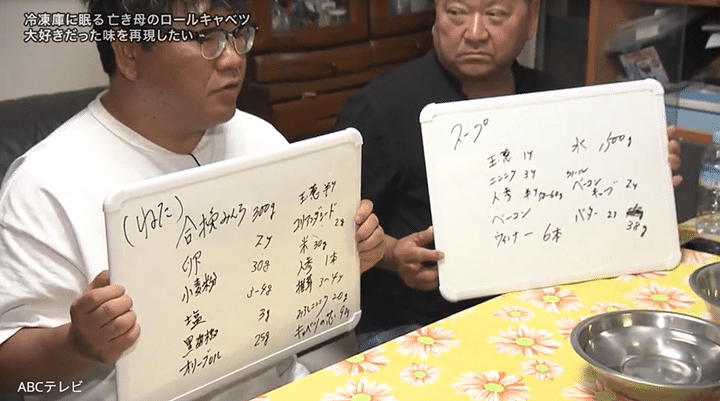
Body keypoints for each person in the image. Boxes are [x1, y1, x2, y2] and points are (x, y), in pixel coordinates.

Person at [0, 0, 384, 400]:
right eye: (207, 38)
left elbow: (289, 285)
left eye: (238, 34)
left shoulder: (261, 140)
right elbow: (8, 371)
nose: (234, 59)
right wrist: (77, 345)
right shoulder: (45, 185)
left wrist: (341, 256)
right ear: (129, 53)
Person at [336, 0, 683, 351]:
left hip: (531, 305)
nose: (474, 33)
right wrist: (394, 255)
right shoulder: (378, 108)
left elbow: (584, 203)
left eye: (495, 14)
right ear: (436, 16)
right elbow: (337, 229)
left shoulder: (554, 100)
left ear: (531, 20)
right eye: (456, 13)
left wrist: (642, 174)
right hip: (412, 321)